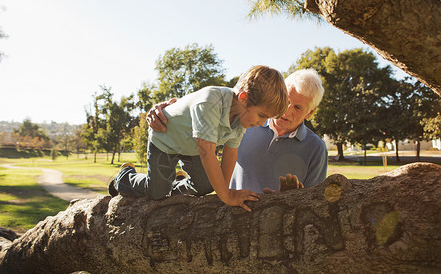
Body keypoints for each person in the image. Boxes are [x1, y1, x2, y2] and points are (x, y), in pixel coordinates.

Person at [109, 65, 289, 212]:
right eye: (262, 115)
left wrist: (224, 192)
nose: (262, 122)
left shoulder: (242, 119)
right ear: (243, 98)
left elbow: (231, 150)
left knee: (206, 186)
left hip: (191, 148)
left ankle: (174, 180)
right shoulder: (210, 101)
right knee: (157, 192)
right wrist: (226, 196)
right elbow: (206, 151)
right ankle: (124, 177)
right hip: (166, 141)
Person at [148, 68, 327, 194]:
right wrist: (165, 110)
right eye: (286, 101)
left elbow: (314, 203)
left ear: (310, 113)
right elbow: (199, 112)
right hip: (230, 221)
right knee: (163, 188)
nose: (287, 111)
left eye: (297, 107)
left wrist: (291, 198)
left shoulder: (316, 149)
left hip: (276, 232)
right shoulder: (245, 119)